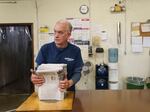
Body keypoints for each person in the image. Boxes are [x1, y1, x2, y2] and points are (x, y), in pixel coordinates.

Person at [31, 19, 83, 91]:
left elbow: (77, 73)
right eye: (55, 32)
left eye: (60, 32)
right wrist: (34, 77)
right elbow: (37, 70)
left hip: (68, 92)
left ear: (68, 35)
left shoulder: (75, 51)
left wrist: (69, 83)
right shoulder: (45, 49)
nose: (56, 35)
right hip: (47, 91)